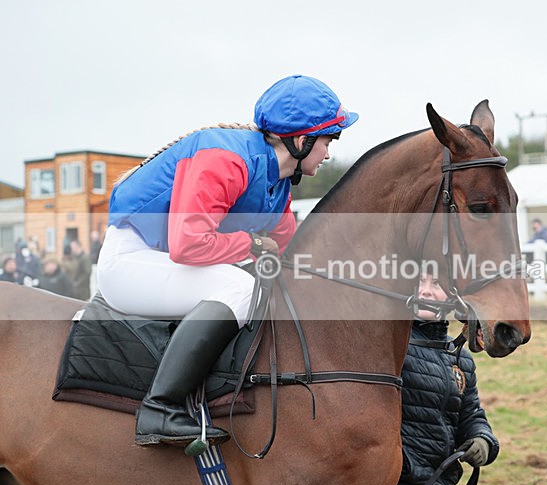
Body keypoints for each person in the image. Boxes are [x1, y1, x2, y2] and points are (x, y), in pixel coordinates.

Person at [96, 74, 358, 448]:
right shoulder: (226, 161)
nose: (329, 153)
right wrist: (252, 244)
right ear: (302, 141)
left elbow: (287, 250)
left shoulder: (279, 179)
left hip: (171, 266)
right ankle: (160, 408)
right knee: (238, 286)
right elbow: (187, 245)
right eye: (329, 140)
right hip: (132, 262)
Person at [368, 273, 500, 485]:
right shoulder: (385, 347)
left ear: (453, 297)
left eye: (436, 284)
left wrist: (483, 439)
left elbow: (471, 413)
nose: (426, 292)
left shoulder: (460, 359)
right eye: (419, 283)